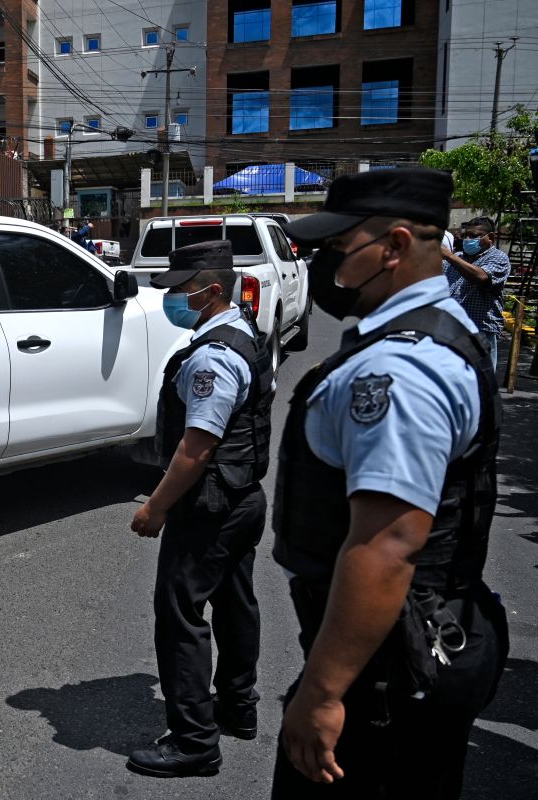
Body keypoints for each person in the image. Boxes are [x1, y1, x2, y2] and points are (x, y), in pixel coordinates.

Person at [273, 167, 508, 798]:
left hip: (381, 674)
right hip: (403, 648)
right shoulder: (437, 334)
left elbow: (387, 547)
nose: (324, 266)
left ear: (396, 247)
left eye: (337, 250)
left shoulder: (398, 372)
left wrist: (323, 693)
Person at [127, 240, 274, 779]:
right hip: (244, 497)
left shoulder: (213, 356)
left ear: (212, 290)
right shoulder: (248, 336)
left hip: (208, 504)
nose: (172, 298)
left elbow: (197, 447)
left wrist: (156, 509)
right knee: (236, 603)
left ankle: (193, 741)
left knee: (180, 615)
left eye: (180, 290)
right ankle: (238, 709)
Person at [441, 216, 511, 370]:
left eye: (474, 236)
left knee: (481, 383)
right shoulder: (457, 258)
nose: (467, 239)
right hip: (452, 329)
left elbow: (481, 277)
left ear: (490, 237)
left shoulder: (498, 258)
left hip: (480, 331)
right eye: (465, 235)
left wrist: (448, 255)